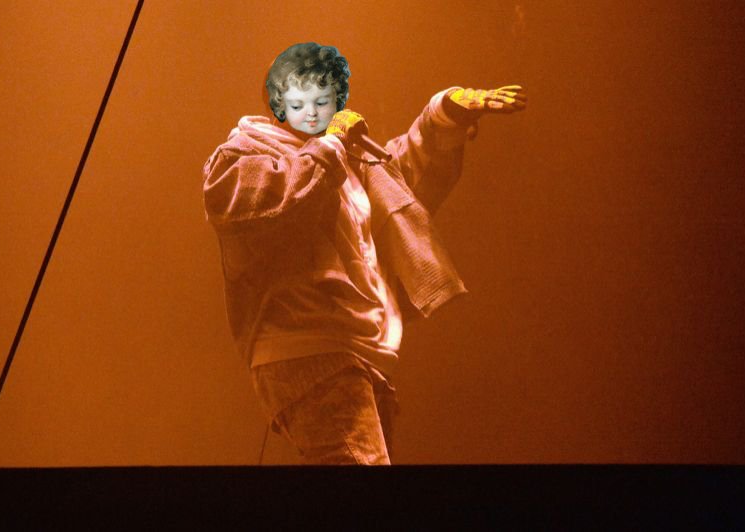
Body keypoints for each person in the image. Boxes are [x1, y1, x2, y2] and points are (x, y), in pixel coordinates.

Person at [202, 42, 526, 465]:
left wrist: (443, 114)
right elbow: (273, 205)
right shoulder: (245, 154)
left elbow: (400, 184)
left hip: (362, 354)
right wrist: (333, 142)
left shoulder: (347, 160)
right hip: (308, 354)